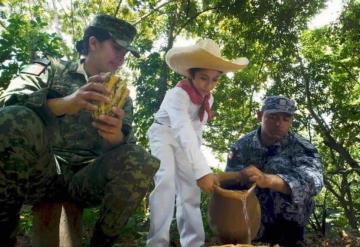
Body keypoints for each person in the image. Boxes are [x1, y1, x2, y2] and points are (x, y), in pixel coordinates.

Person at [0, 14, 159, 247]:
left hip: (84, 180)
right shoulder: (51, 68)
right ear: (93, 43)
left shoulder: (121, 96)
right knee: (15, 118)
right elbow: (9, 103)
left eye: (125, 53)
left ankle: (101, 244)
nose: (121, 58)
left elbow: (123, 153)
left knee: (142, 160)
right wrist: (65, 103)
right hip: (42, 173)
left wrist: (114, 138)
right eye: (117, 48)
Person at [146, 39, 249, 247]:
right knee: (165, 180)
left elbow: (195, 133)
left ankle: (193, 243)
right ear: (190, 74)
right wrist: (202, 170)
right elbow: (182, 128)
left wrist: (198, 170)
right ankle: (157, 243)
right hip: (163, 134)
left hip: (187, 142)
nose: (209, 85)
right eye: (203, 78)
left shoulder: (208, 100)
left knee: (190, 190)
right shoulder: (177, 95)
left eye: (214, 80)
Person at [225, 95, 324, 247]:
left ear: (291, 121)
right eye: (272, 117)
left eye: (286, 119)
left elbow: (314, 182)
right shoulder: (241, 147)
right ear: (259, 116)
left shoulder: (303, 148)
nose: (279, 124)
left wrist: (268, 180)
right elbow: (228, 186)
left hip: (289, 225)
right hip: (249, 224)